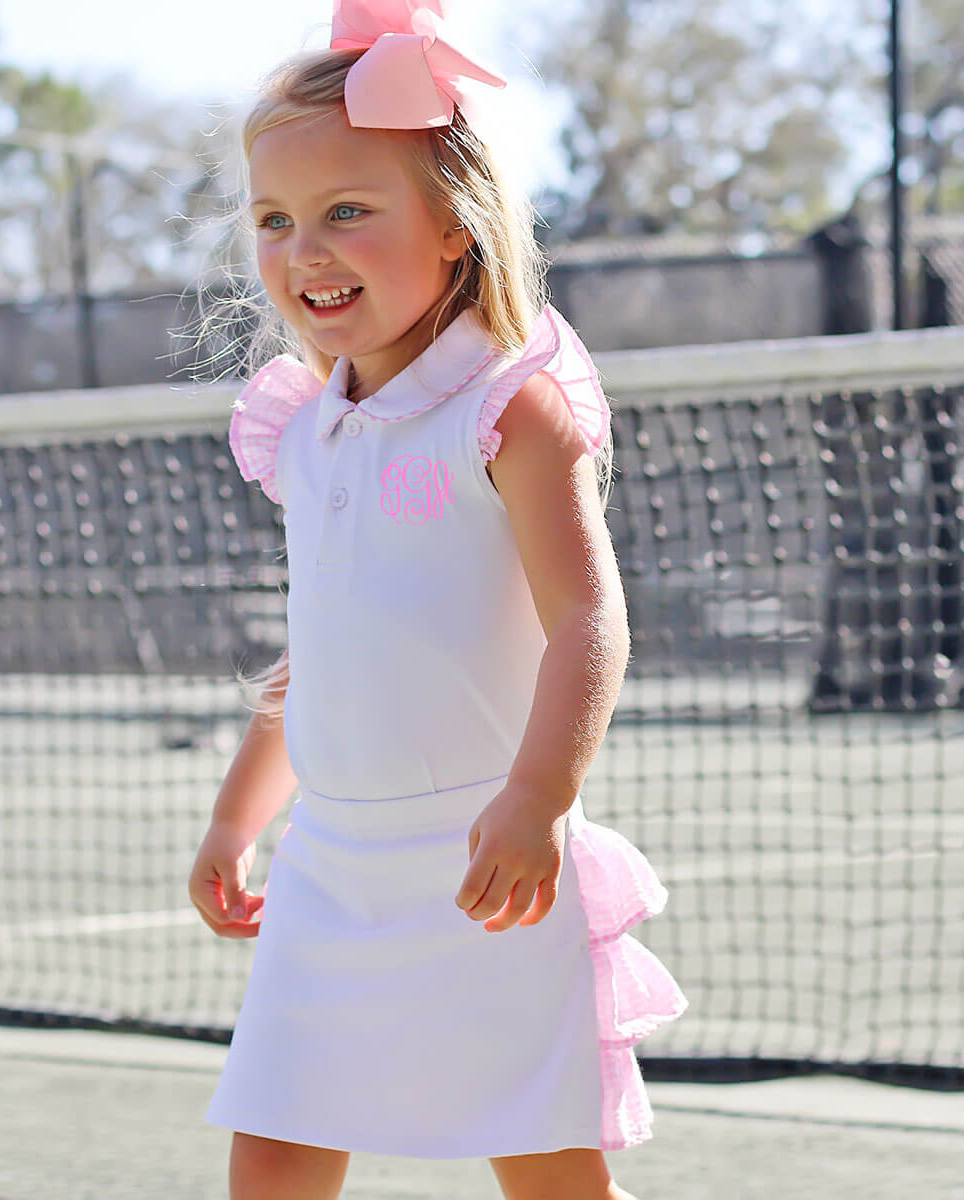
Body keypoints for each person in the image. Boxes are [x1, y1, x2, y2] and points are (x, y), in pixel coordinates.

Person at [188, 3, 688, 1197]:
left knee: (545, 1166)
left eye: (348, 212)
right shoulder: (304, 433)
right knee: (273, 1148)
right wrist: (234, 820)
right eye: (275, 221)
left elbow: (588, 618)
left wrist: (538, 796)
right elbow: (319, 658)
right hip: (326, 873)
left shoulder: (510, 412)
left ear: (457, 227)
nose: (305, 249)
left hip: (486, 864)